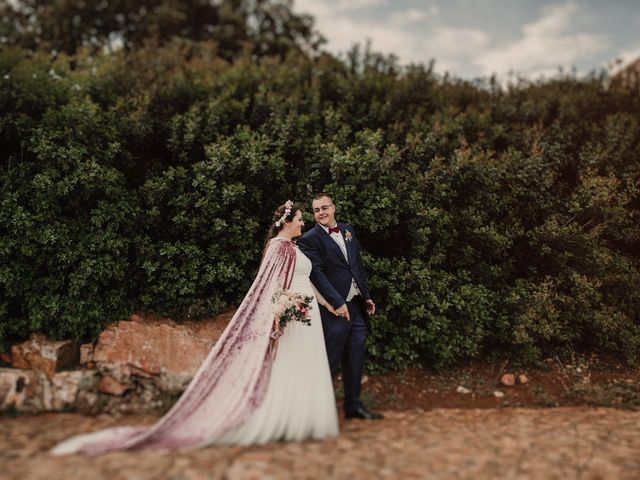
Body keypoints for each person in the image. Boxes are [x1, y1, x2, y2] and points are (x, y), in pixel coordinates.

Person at [51, 201, 338, 456]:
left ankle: (302, 418)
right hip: (292, 313)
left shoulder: (293, 247)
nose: (304, 222)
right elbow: (270, 287)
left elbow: (303, 278)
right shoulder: (280, 247)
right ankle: (282, 418)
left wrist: (326, 303)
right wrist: (279, 310)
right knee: (288, 365)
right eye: (300, 218)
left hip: (305, 313)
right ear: (287, 222)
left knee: (304, 364)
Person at [297, 193, 383, 420]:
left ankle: (353, 406)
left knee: (355, 358)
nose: (320, 212)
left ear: (334, 208)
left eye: (324, 207)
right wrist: (337, 302)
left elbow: (356, 266)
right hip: (333, 311)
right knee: (330, 360)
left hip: (356, 307)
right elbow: (317, 274)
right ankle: (317, 412)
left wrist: (366, 296)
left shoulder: (348, 230)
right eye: (316, 210)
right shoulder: (309, 239)